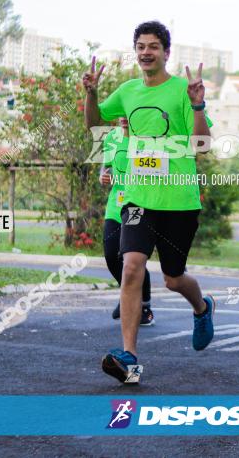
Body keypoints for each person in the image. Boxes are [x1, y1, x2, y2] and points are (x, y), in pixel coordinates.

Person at [84, 20, 216, 384]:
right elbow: (95, 123)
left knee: (174, 279)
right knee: (131, 267)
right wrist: (92, 94)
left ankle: (202, 308)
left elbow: (201, 147)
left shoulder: (182, 91)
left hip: (179, 201)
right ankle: (129, 357)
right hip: (138, 198)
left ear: (166, 52)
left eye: (153, 46)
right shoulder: (127, 91)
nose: (146, 52)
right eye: (140, 46)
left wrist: (199, 105)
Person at [99, 117, 154, 326]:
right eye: (119, 113)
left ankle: (144, 305)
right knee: (110, 253)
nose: (123, 118)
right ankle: (128, 295)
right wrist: (103, 177)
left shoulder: (146, 138)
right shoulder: (112, 138)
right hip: (116, 204)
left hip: (136, 202)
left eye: (127, 113)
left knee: (131, 256)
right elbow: (106, 168)